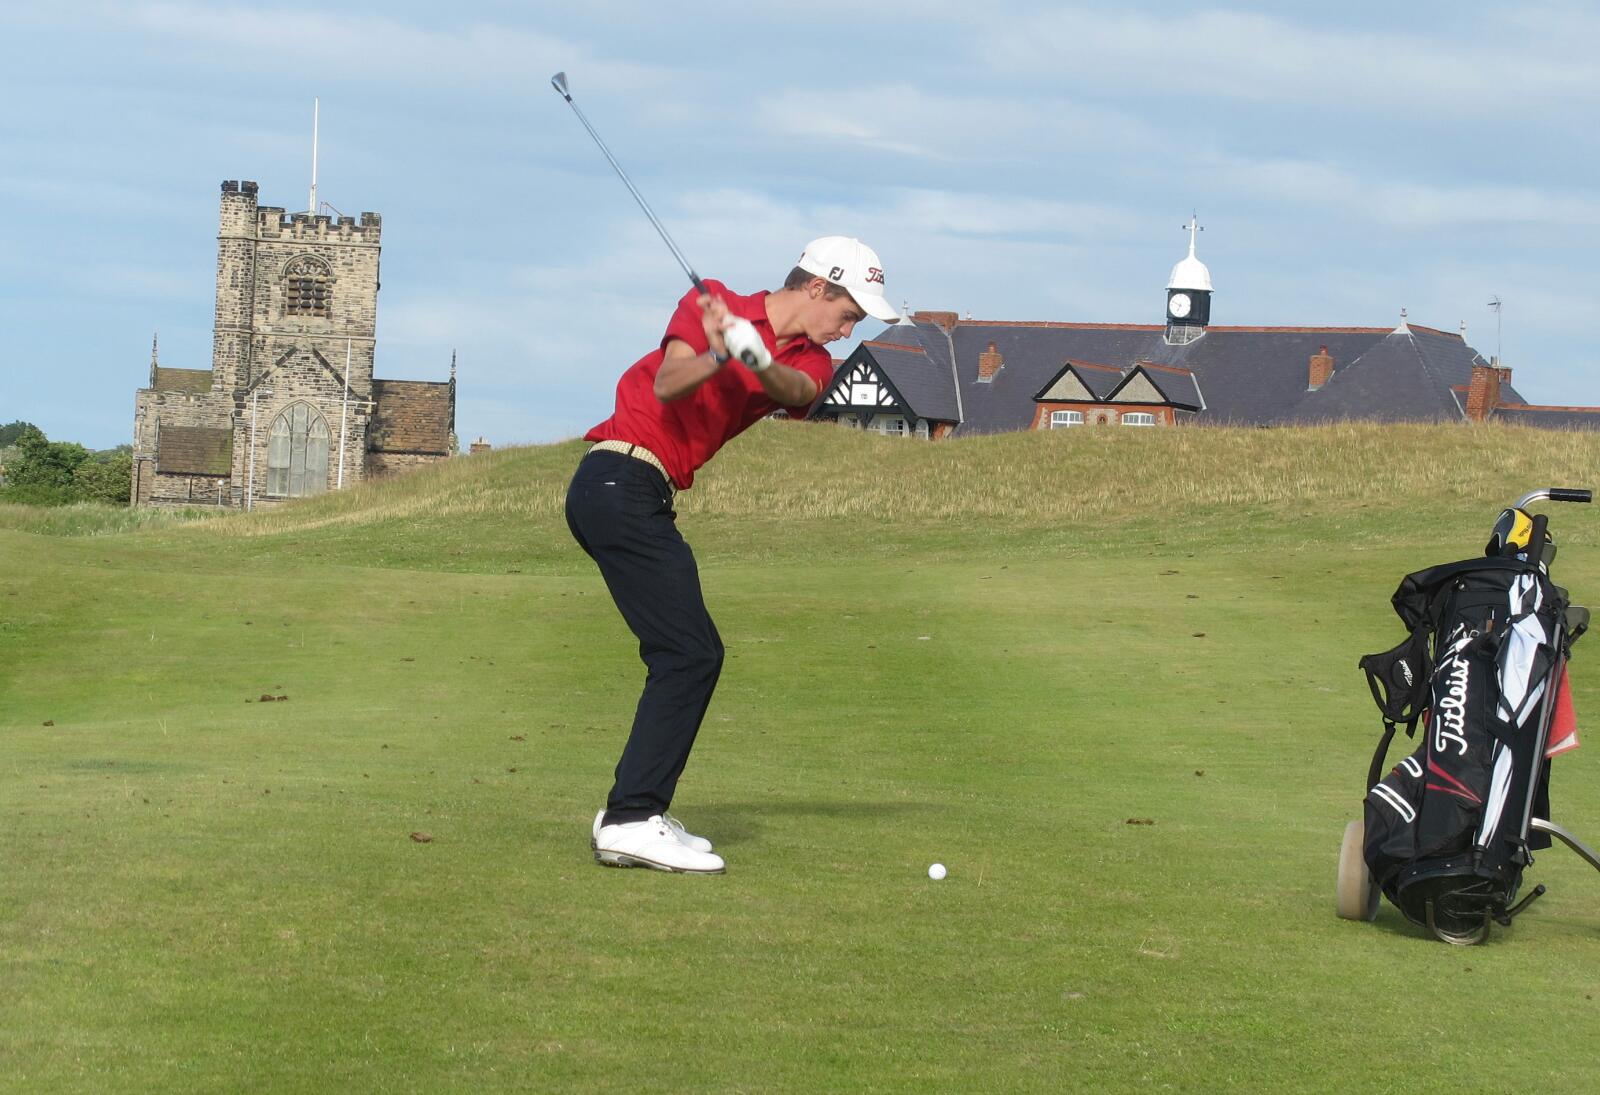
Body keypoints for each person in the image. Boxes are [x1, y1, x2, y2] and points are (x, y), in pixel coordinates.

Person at [565, 237, 898, 873]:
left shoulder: (813, 359)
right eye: (849, 314)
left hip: (641, 493)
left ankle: (630, 812)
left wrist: (755, 356)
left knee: (686, 651)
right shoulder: (711, 300)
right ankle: (632, 818)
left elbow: (795, 388)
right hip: (616, 480)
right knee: (689, 654)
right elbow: (668, 383)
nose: (848, 331)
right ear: (818, 287)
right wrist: (722, 350)